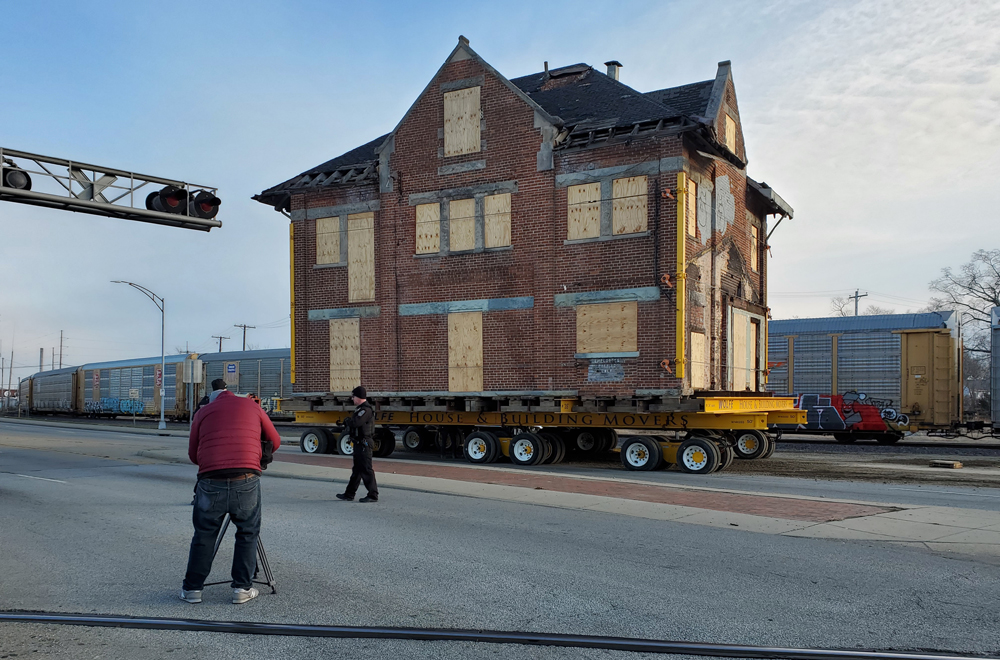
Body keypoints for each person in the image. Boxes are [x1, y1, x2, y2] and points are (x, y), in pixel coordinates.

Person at [179, 382, 281, 605]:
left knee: (204, 534)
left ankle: (193, 590)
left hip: (210, 480)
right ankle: (242, 588)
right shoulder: (252, 407)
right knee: (247, 532)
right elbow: (275, 440)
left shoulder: (203, 412)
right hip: (245, 477)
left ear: (212, 398)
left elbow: (193, 455)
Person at [336, 386, 379, 503]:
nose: (352, 398)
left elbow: (356, 423)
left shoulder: (365, 410)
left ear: (359, 397)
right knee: (357, 471)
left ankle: (373, 494)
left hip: (364, 444)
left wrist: (347, 421)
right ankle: (349, 494)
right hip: (359, 443)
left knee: (366, 469)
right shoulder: (360, 409)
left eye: (353, 396)